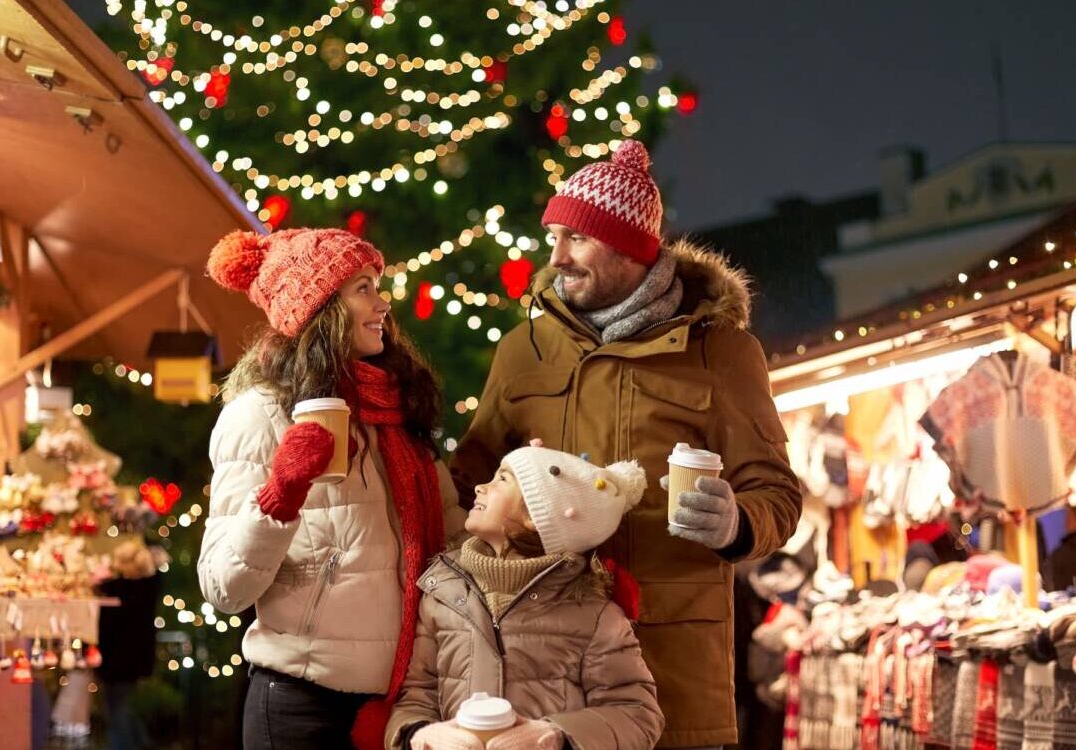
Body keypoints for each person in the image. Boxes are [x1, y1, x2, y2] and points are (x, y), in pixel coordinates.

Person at [451, 140, 801, 748]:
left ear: (629, 248)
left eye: (576, 238)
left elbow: (777, 494)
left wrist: (736, 523)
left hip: (671, 672)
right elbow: (466, 488)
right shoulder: (522, 351)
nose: (556, 257)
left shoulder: (720, 352)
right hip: (546, 682)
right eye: (553, 237)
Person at [199, 228, 465, 750]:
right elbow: (224, 588)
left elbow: (452, 547)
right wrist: (281, 494)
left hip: (406, 702)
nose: (382, 304)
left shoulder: (399, 408)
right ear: (319, 309)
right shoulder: (258, 415)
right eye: (363, 289)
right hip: (302, 705)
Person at [387, 443, 665, 750]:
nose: (480, 487)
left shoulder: (594, 615)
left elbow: (637, 714)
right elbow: (417, 697)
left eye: (502, 479)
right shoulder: (442, 594)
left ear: (537, 514)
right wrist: (420, 735)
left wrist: (557, 735)